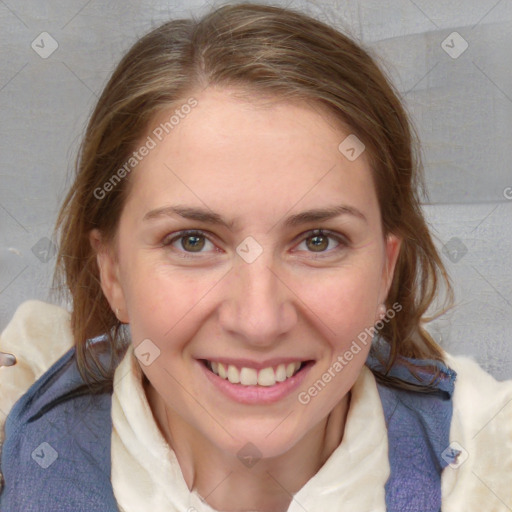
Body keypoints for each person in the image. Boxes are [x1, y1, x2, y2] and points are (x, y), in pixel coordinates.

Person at [0, 3, 510, 511]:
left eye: (318, 240)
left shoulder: (489, 463)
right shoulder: (20, 446)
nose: (259, 321)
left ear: (385, 270)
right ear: (111, 272)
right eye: (192, 241)